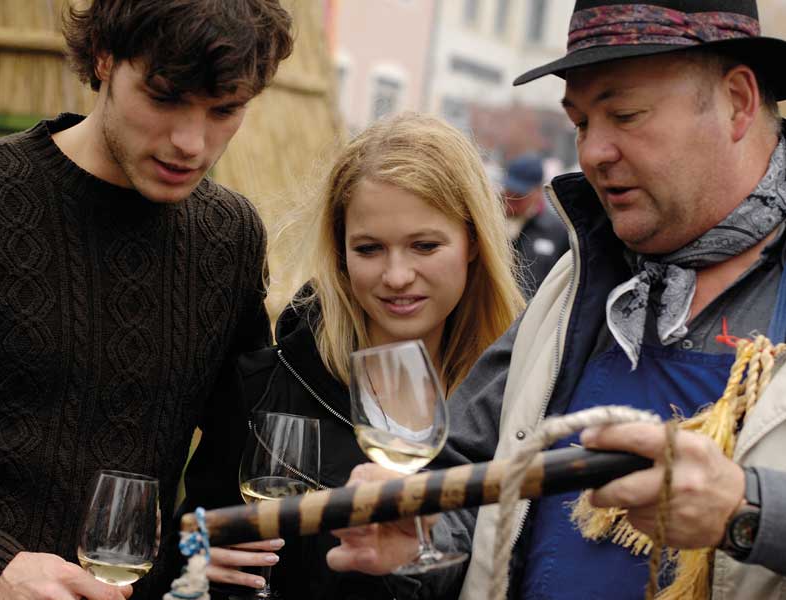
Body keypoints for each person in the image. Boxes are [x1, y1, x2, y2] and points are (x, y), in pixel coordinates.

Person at [327, 1, 786, 598]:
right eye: (581, 123)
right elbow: (466, 494)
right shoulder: (574, 284)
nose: (593, 152)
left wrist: (748, 513)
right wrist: (422, 541)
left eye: (624, 114)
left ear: (738, 101)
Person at [0, 1, 293, 599]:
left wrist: (200, 552)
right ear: (104, 57)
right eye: (165, 97)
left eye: (224, 110)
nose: (190, 141)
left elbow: (240, 458)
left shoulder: (229, 240)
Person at [180, 112, 525, 599]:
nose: (397, 275)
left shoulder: (521, 399)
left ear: (472, 242)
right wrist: (194, 565)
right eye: (369, 249)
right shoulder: (268, 386)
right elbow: (189, 544)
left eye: (424, 245)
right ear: (340, 252)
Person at [501, 153, 569, 298]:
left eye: (519, 196)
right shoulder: (493, 222)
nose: (510, 202)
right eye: (507, 194)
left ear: (537, 192)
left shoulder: (558, 231)